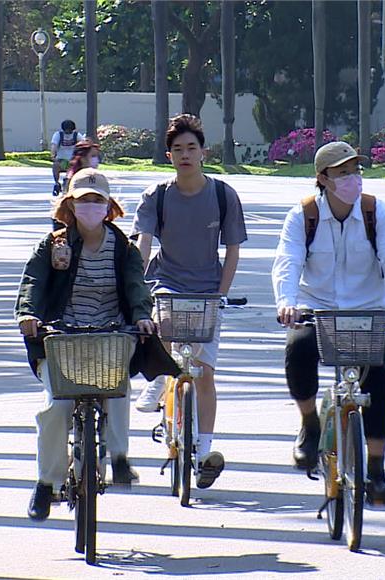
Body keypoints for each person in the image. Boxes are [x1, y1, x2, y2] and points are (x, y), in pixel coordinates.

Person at [272, 141, 385, 505]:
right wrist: (287, 303)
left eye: (356, 171)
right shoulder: (303, 215)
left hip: (367, 310)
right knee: (298, 348)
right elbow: (288, 262)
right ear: (323, 179)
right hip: (316, 308)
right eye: (342, 173)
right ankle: (309, 424)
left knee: (379, 376)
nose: (352, 179)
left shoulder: (375, 212)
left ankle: (378, 471)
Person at [16, 168, 157, 521]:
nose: (91, 207)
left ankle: (120, 459)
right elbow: (33, 281)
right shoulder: (53, 245)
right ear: (70, 206)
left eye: (98, 200)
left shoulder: (122, 247)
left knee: (118, 391)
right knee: (55, 409)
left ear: (109, 207)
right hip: (60, 339)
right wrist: (28, 315)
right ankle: (46, 484)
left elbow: (137, 285)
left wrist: (142, 315)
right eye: (83, 201)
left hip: (110, 337)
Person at [131, 114, 247, 490]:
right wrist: (135, 282)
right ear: (169, 155)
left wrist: (222, 294)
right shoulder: (158, 195)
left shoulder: (222, 194)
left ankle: (205, 450)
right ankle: (162, 376)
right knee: (163, 321)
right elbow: (143, 243)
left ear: (203, 152)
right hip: (167, 282)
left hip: (207, 290)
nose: (185, 155)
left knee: (203, 371)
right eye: (177, 149)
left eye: (191, 148)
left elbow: (231, 251)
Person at [51, 120, 85, 196]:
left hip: (73, 160)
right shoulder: (58, 135)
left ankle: (71, 183)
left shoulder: (77, 135)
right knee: (55, 165)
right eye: (66, 130)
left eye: (70, 130)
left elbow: (83, 145)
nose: (68, 131)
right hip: (61, 160)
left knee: (74, 169)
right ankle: (57, 183)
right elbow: (54, 145)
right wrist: (53, 155)